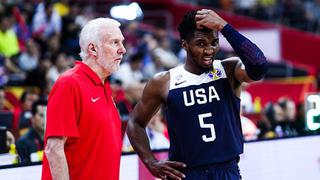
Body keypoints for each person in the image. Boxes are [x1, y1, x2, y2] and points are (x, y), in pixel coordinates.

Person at [127, 9, 269, 180]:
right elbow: (135, 123)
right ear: (184, 45)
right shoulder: (164, 82)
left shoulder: (228, 69)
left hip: (227, 170)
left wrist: (224, 27)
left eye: (214, 42)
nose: (209, 50)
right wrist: (151, 162)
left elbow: (259, 66)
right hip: (187, 173)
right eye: (201, 44)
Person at [41, 17, 126, 180]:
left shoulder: (104, 86)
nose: (123, 49)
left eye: (121, 42)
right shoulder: (69, 83)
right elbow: (54, 149)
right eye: (115, 42)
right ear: (93, 49)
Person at [16, 99, 47, 164]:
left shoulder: (53, 139)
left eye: (47, 115)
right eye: (41, 115)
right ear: (32, 118)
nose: (45, 119)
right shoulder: (22, 142)